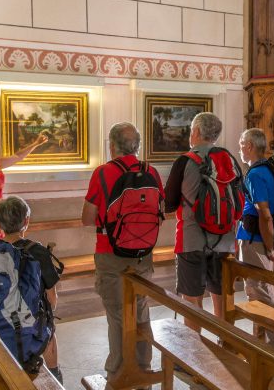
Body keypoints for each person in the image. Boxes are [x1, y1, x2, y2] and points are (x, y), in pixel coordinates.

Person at [81, 122, 164, 380]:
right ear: (137, 146)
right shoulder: (151, 171)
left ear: (112, 145)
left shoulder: (103, 173)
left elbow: (87, 217)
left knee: (117, 313)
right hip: (143, 253)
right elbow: (161, 214)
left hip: (111, 252)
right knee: (141, 309)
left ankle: (118, 372)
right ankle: (144, 367)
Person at [164, 112, 236, 332]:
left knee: (192, 299)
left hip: (191, 239)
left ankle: (196, 355)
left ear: (195, 132)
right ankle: (226, 346)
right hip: (224, 238)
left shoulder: (185, 161)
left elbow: (168, 203)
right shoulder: (229, 158)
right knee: (221, 294)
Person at [0, 196, 63, 384]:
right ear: (26, 221)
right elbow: (51, 297)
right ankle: (55, 374)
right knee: (48, 322)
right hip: (31, 322)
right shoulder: (37, 251)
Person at [237, 128, 274, 347]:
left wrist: (271, 246)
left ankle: (271, 347)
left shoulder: (255, 174)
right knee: (266, 288)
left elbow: (265, 214)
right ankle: (261, 341)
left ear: (250, 146)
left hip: (255, 238)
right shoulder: (270, 168)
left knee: (258, 291)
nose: (239, 148)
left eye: (241, 144)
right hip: (262, 237)